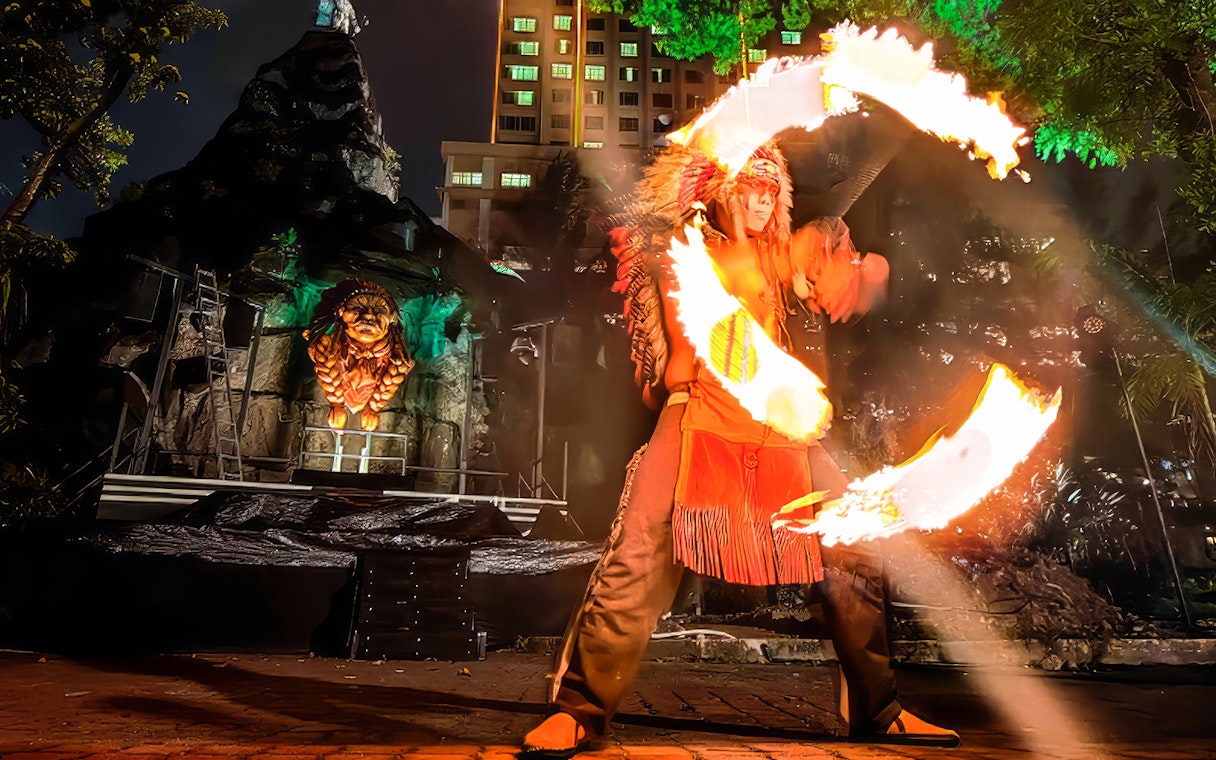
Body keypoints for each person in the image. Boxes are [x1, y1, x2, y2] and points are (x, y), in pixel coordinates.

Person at [520, 142, 959, 757]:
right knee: (640, 551)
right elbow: (674, 356)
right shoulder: (683, 249)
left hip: (778, 428)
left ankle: (879, 710)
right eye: (747, 185)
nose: (761, 199)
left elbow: (822, 247)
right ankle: (580, 709)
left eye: (770, 187)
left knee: (853, 547)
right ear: (719, 188)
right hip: (698, 413)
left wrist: (862, 267)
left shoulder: (780, 254)